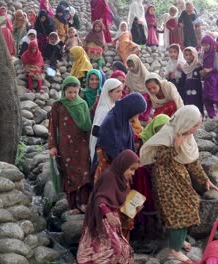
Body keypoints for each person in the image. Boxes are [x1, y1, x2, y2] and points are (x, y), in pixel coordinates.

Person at [140, 105, 218, 262]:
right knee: (177, 211)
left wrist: (205, 180)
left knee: (190, 204)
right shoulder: (169, 133)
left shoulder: (186, 136)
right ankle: (174, 250)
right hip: (165, 180)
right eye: (194, 125)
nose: (196, 129)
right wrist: (175, 147)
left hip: (179, 176)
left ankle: (177, 240)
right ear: (185, 122)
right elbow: (158, 159)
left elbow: (192, 162)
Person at [76, 150, 139, 264]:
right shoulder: (109, 176)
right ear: (123, 165)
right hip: (102, 217)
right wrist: (108, 214)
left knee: (121, 250)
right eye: (131, 169)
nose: (133, 173)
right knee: (112, 248)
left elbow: (116, 200)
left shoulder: (121, 178)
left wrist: (134, 207)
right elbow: (100, 198)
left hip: (112, 219)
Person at [49, 76, 92, 214]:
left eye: (75, 92)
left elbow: (87, 126)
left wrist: (91, 144)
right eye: (70, 92)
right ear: (64, 91)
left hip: (82, 144)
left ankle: (84, 203)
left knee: (85, 173)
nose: (73, 95)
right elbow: (52, 126)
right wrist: (53, 146)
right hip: (65, 146)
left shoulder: (82, 104)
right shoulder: (58, 106)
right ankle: (72, 205)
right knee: (69, 175)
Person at [94, 93, 147, 179]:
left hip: (120, 169)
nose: (136, 117)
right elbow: (110, 150)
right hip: (110, 171)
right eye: (136, 113)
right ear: (131, 109)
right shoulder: (111, 121)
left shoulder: (123, 119)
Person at [89, 78, 124, 161]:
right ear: (109, 93)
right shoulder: (104, 109)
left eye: (121, 91)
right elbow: (96, 131)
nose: (121, 94)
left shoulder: (112, 105)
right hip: (102, 150)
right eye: (118, 91)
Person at [201, 35, 218, 119]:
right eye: (203, 45)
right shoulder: (204, 54)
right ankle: (212, 116)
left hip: (214, 79)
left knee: (215, 97)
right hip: (207, 79)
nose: (205, 47)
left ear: (211, 44)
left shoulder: (215, 54)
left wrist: (209, 70)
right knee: (206, 98)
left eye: (206, 45)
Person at [126, 55, 152, 121]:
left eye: (133, 65)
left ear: (137, 64)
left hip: (147, 96)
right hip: (135, 95)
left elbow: (151, 89)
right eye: (129, 66)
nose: (131, 68)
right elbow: (128, 89)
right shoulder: (129, 75)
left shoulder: (146, 75)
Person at [180, 47, 203, 116]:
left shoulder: (198, 66)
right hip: (187, 88)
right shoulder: (185, 67)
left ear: (195, 55)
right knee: (188, 102)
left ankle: (199, 116)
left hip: (196, 87)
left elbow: (201, 78)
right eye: (186, 55)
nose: (188, 57)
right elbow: (183, 79)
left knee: (197, 102)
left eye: (190, 54)